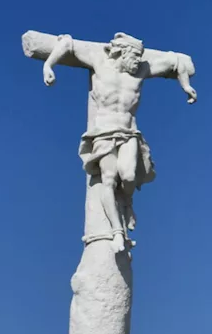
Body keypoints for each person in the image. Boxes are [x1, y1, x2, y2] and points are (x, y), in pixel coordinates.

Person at [42, 32, 196, 251]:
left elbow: (179, 61)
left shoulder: (142, 70)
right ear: (120, 52)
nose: (136, 61)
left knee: (129, 175)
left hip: (128, 131)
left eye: (139, 57)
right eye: (133, 55)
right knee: (108, 179)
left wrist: (185, 85)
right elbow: (66, 43)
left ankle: (128, 202)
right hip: (103, 131)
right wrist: (49, 66)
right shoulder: (99, 61)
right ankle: (117, 231)